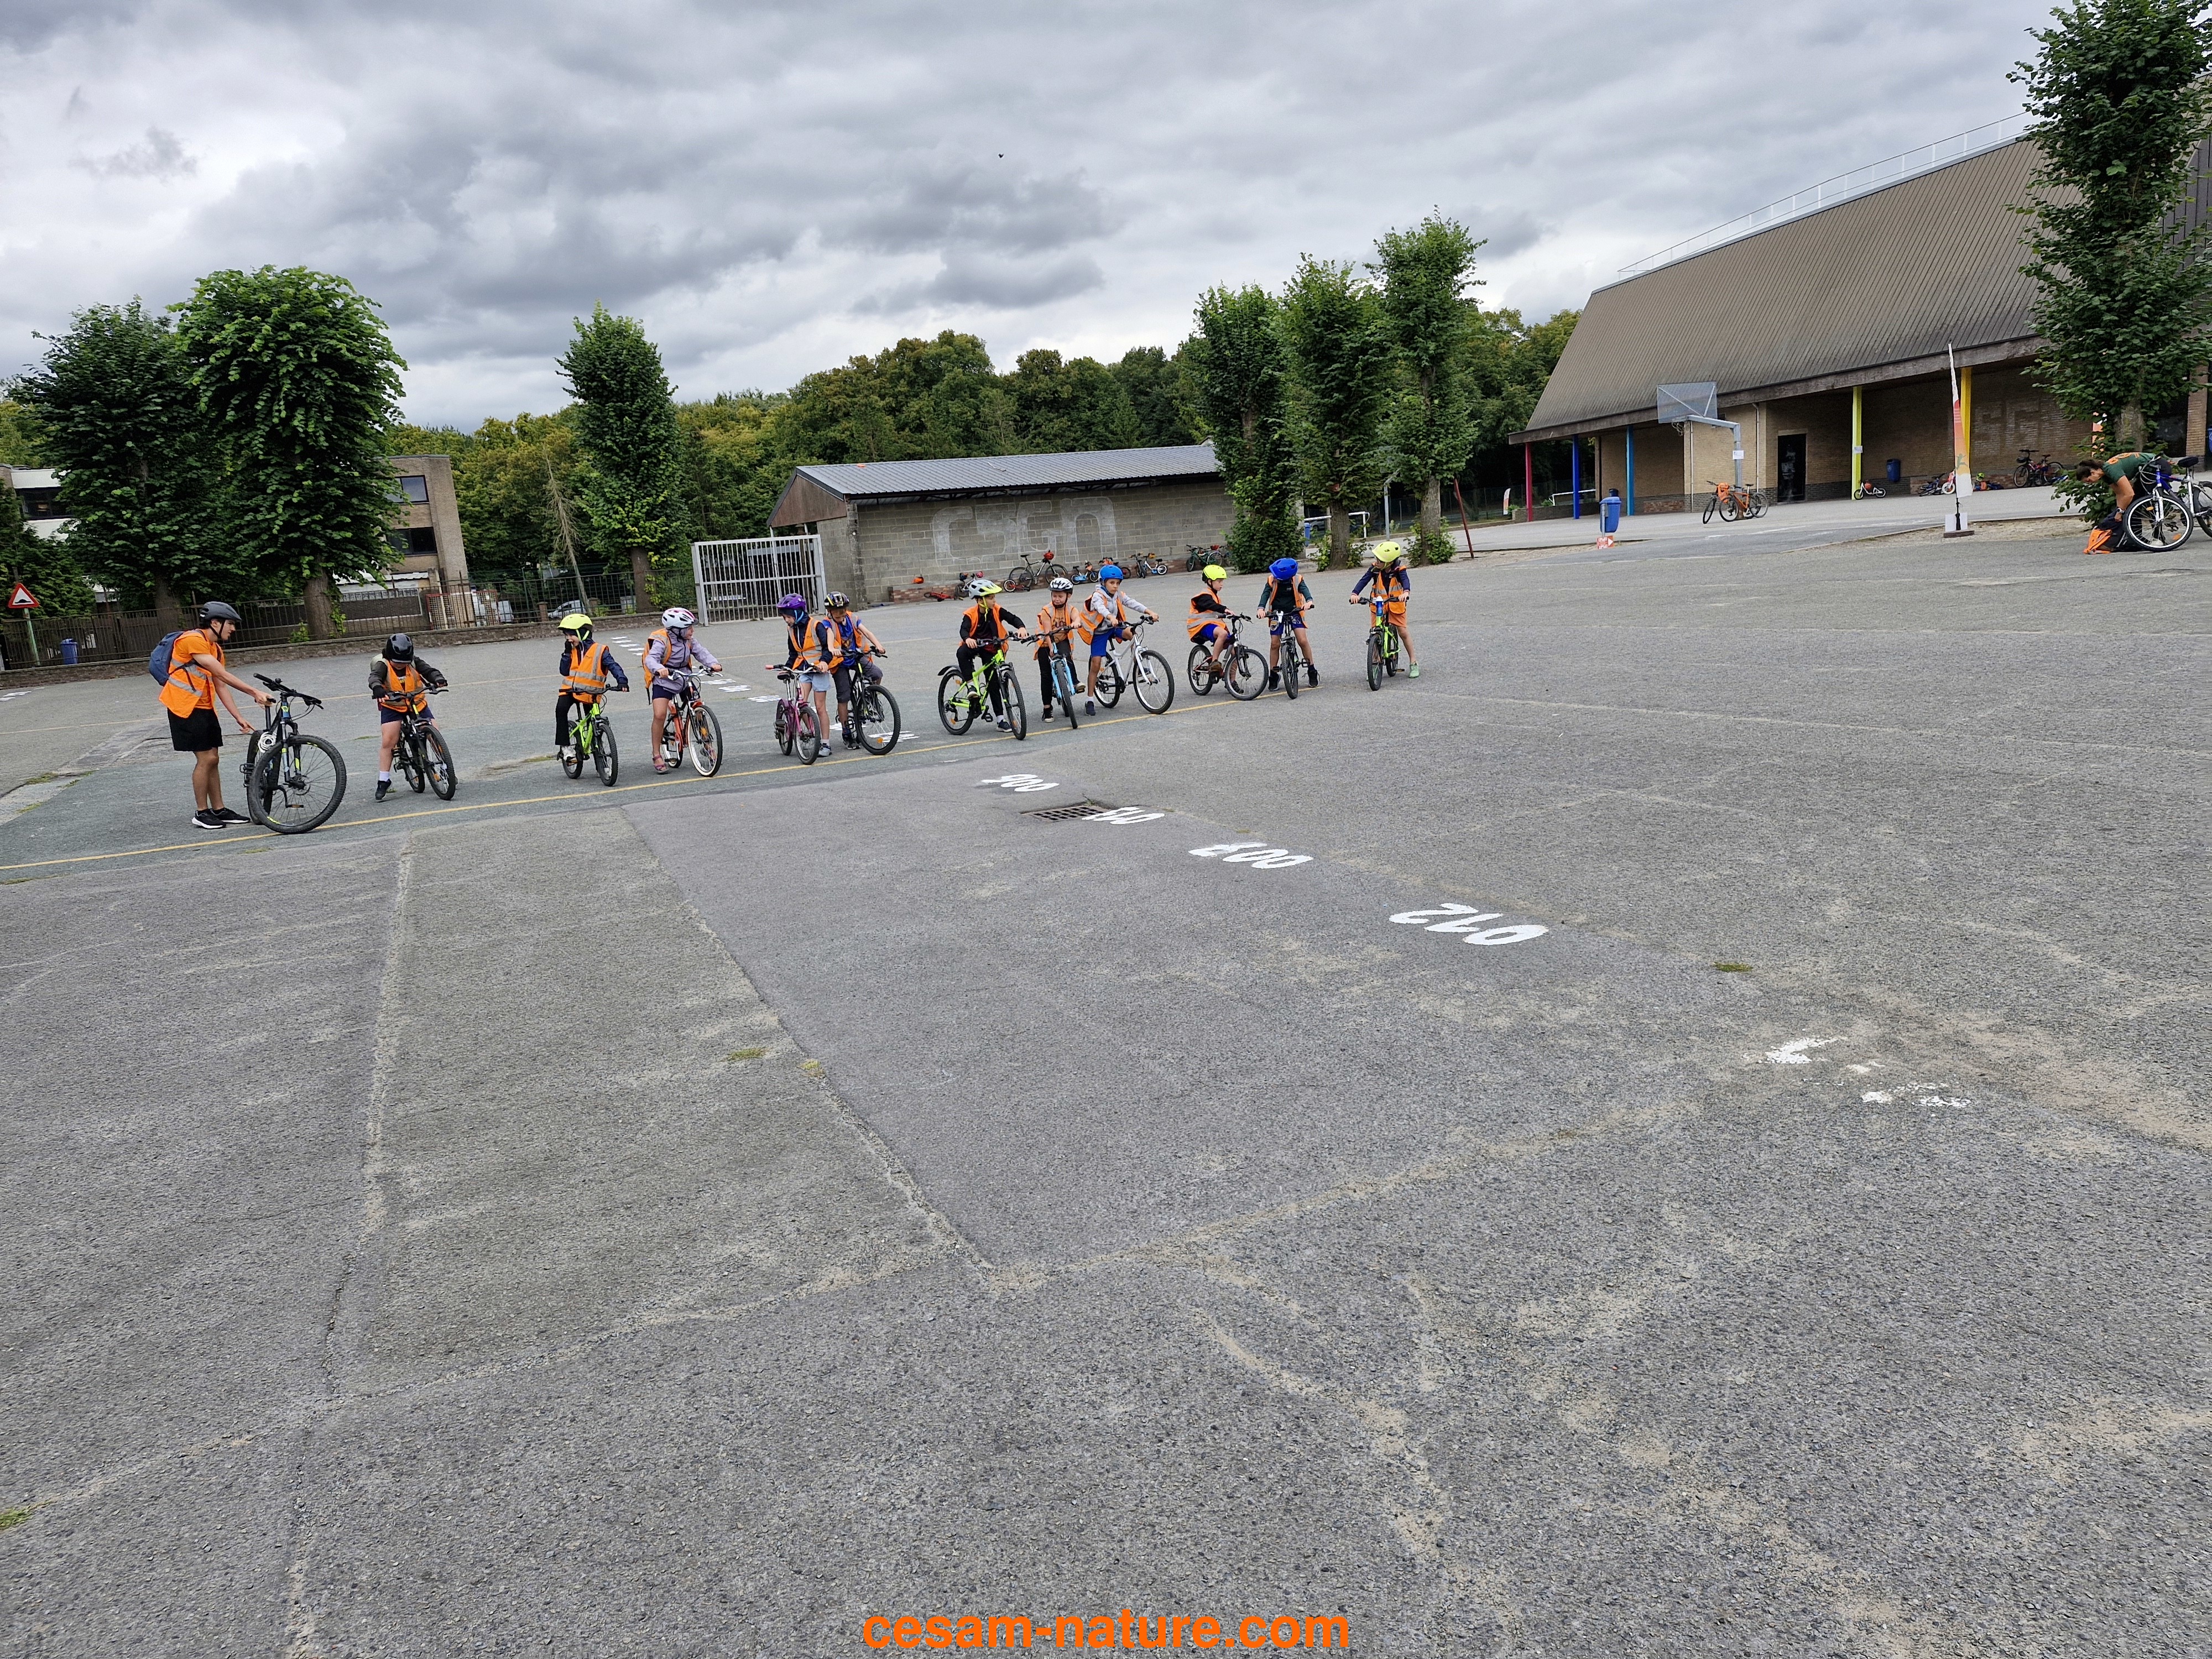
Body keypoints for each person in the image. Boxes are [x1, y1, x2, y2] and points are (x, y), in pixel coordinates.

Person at [158, 599, 272, 830]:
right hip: (184, 708)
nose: (234, 629)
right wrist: (254, 692)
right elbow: (221, 674)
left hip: (205, 708)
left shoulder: (216, 649)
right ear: (215, 623)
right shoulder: (192, 640)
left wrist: (238, 716)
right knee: (206, 759)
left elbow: (220, 685)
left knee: (214, 759)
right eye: (230, 624)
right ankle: (202, 812)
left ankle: (219, 809)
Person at [369, 633, 450, 801]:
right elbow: (374, 678)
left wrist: (438, 678)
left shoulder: (413, 662)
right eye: (397, 662)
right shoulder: (383, 665)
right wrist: (377, 688)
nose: (400, 665)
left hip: (416, 703)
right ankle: (384, 780)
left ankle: (445, 768)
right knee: (389, 741)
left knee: (434, 733)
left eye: (404, 662)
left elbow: (429, 671)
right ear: (389, 656)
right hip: (393, 706)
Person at [643, 607, 722, 773]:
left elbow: (702, 653)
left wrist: (713, 663)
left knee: (698, 709)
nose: (692, 631)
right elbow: (651, 659)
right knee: (659, 715)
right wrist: (659, 668)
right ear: (676, 630)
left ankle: (707, 745)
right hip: (664, 679)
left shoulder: (689, 640)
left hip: (684, 677)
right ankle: (656, 754)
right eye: (689, 628)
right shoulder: (662, 640)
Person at [555, 609, 629, 763]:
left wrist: (622, 681)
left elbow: (613, 665)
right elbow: (564, 671)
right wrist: (566, 654)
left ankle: (600, 763)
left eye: (571, 635)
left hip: (591, 692)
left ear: (582, 633)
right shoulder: (570, 650)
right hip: (570, 690)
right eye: (566, 635)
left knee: (593, 724)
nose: (568, 639)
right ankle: (565, 747)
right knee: (561, 710)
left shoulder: (600, 650)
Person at [817, 592, 890, 747]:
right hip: (840, 660)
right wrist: (832, 649)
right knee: (844, 696)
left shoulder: (852, 618)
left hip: (855, 655)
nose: (840, 617)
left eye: (843, 612)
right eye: (837, 614)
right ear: (830, 612)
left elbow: (867, 632)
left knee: (877, 674)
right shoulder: (827, 623)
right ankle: (847, 732)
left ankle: (869, 698)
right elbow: (830, 636)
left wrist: (878, 646)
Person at [1083, 564, 1156, 714]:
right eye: (1112, 583)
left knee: (1132, 633)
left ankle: (1138, 665)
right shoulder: (1098, 596)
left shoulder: (1118, 594)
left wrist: (1149, 611)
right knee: (1096, 664)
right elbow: (1101, 608)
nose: (1115, 586)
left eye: (1118, 583)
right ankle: (1090, 700)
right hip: (1099, 632)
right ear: (1103, 582)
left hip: (1114, 627)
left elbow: (1131, 603)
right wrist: (1110, 617)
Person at [956, 582, 1027, 729]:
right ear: (980, 600)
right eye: (990, 598)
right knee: (961, 652)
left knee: (994, 683)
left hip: (991, 648)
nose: (994, 600)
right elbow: (964, 630)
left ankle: (1000, 720)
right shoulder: (971, 614)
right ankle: (971, 687)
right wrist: (967, 639)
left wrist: (1021, 627)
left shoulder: (997, 610)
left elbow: (1012, 618)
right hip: (975, 645)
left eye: (994, 597)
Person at [768, 592, 837, 739]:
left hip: (818, 670)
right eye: (784, 617)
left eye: (788, 617)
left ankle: (825, 742)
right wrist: (787, 668)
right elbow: (793, 653)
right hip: (803, 670)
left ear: (798, 613)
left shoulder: (816, 626)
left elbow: (827, 648)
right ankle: (812, 733)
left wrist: (824, 662)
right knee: (801, 704)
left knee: (820, 708)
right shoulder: (791, 629)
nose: (786, 620)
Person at [1348, 541, 1419, 676]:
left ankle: (1413, 662)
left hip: (1395, 603)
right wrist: (1355, 594)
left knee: (1403, 632)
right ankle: (1374, 665)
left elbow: (1405, 581)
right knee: (1375, 633)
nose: (1377, 562)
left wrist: (1406, 593)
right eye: (1376, 559)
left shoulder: (1399, 569)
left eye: (1380, 560)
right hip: (1378, 605)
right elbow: (1364, 580)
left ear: (1389, 562)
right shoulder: (1375, 569)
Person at [2074, 453, 2154, 554]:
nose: (2090, 483)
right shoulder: (2105, 475)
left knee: (2141, 503)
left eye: (2088, 480)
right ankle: (2135, 540)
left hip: (2154, 466)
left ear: (2093, 472)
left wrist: (2120, 511)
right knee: (2131, 506)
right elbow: (2120, 493)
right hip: (2145, 471)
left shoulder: (2111, 469)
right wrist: (2119, 510)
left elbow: (2129, 494)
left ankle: (2157, 538)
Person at [1259, 556, 1318, 689]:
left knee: (1302, 640)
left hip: (1294, 611)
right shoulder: (1271, 580)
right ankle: (1274, 675)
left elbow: (1305, 591)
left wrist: (1309, 601)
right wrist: (1261, 609)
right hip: (1277, 614)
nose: (1274, 577)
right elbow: (1265, 595)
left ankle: (1312, 670)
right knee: (1275, 643)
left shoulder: (1297, 579)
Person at [1029, 576, 1083, 718]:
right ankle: (1047, 709)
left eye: (1060, 596)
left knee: (1068, 658)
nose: (1057, 599)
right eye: (1054, 596)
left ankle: (1075, 683)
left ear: (1068, 596)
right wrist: (1051, 648)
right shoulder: (1047, 611)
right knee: (1046, 675)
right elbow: (1047, 632)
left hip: (1061, 640)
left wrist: (1076, 623)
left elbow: (1077, 617)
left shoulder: (1071, 609)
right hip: (1045, 642)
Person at [1187, 564, 1235, 680]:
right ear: (1210, 581)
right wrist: (1224, 609)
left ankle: (1232, 682)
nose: (1222, 584)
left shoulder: (1215, 596)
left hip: (1212, 626)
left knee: (1235, 652)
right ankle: (1215, 663)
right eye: (1219, 581)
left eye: (1222, 581)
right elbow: (1211, 605)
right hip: (1200, 627)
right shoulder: (1204, 595)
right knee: (1223, 634)